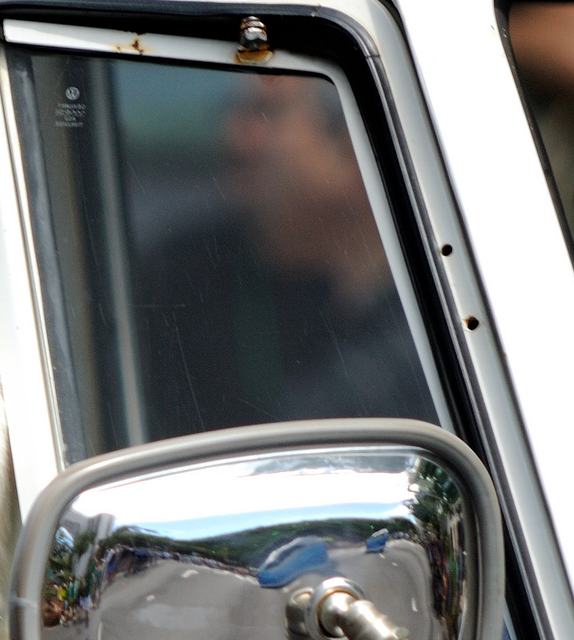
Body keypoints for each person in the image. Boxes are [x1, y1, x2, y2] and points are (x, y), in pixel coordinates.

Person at [131, 72, 431, 442]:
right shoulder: (179, 280)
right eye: (235, 112)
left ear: (355, 150)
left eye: (266, 114)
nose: (236, 139)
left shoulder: (440, 334)